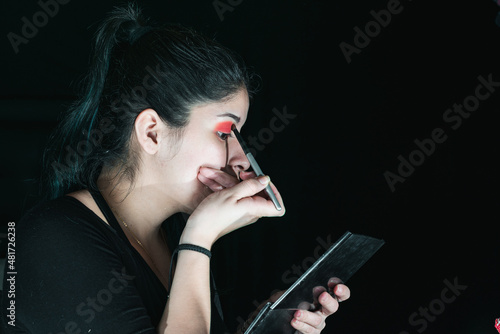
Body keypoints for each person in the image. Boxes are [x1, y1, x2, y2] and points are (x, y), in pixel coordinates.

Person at [1, 3, 350, 333]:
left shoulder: (172, 238)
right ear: (152, 132)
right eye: (226, 132)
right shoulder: (52, 238)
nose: (242, 160)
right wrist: (199, 239)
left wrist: (265, 328)